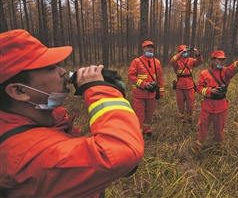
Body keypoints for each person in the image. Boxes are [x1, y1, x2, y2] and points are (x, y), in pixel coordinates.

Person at [0, 29, 144, 197]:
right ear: (19, 91)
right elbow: (122, 152)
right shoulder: (29, 155)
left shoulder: (37, 121)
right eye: (50, 68)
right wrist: (100, 90)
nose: (62, 71)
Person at [195, 50, 238, 150]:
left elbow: (233, 69)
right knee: (202, 128)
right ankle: (198, 147)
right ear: (213, 60)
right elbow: (199, 89)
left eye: (223, 60)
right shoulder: (204, 74)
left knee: (219, 129)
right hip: (207, 107)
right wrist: (211, 91)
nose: (222, 62)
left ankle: (218, 147)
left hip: (221, 107)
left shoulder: (226, 72)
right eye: (220, 60)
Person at [128, 40, 164, 137]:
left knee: (149, 113)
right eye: (148, 47)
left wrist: (160, 91)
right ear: (143, 49)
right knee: (139, 115)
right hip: (139, 94)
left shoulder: (157, 62)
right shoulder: (136, 62)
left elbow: (160, 77)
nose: (150, 49)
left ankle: (146, 129)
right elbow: (131, 76)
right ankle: (138, 133)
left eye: (152, 47)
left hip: (152, 94)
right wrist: (144, 84)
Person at [170, 45, 204, 123]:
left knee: (190, 104)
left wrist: (197, 54)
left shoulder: (191, 60)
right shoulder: (177, 61)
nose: (185, 53)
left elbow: (200, 62)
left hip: (190, 86)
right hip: (180, 87)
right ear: (179, 52)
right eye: (183, 51)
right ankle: (181, 119)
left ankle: (190, 118)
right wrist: (181, 53)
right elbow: (172, 61)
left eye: (186, 51)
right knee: (180, 104)